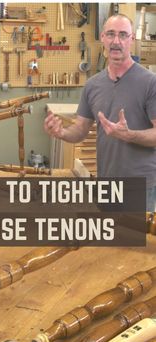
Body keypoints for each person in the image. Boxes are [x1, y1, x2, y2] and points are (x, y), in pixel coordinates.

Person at [44, 14, 156, 212]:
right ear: (102, 37)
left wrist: (130, 135)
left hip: (141, 186)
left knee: (136, 242)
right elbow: (80, 130)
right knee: (106, 241)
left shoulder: (150, 82)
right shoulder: (92, 85)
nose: (116, 41)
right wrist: (61, 133)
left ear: (132, 40)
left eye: (123, 35)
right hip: (106, 184)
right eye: (111, 34)